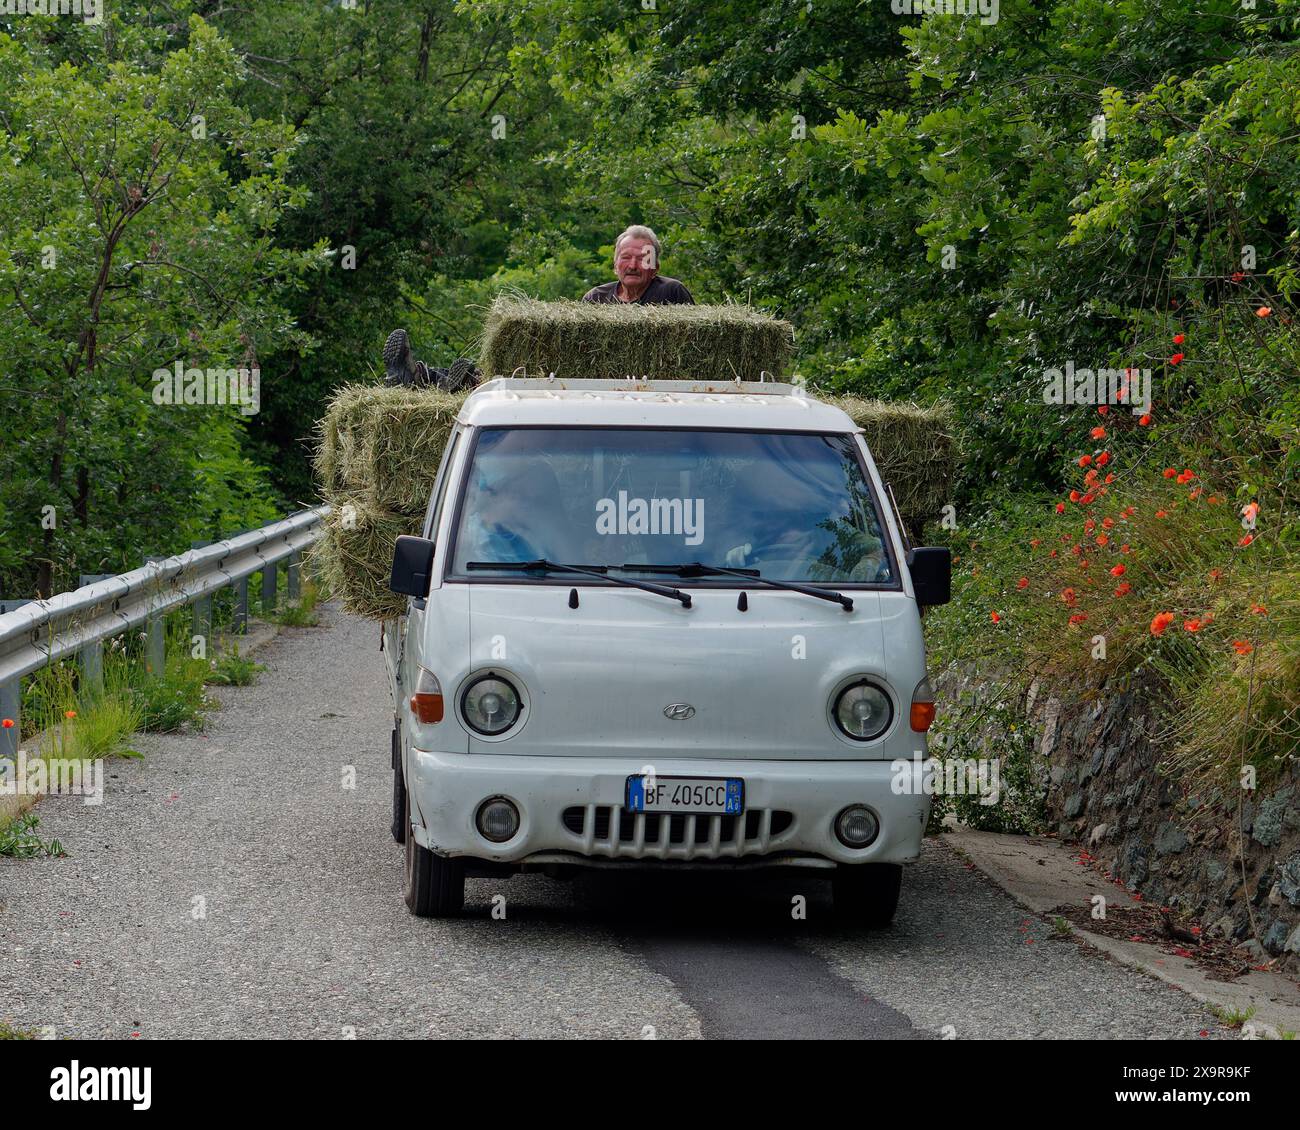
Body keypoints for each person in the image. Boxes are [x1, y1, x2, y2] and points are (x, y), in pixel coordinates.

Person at [581, 225, 695, 305]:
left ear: (655, 268)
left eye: (642, 259)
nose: (632, 266)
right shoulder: (595, 298)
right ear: (615, 265)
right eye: (626, 257)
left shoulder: (673, 292)